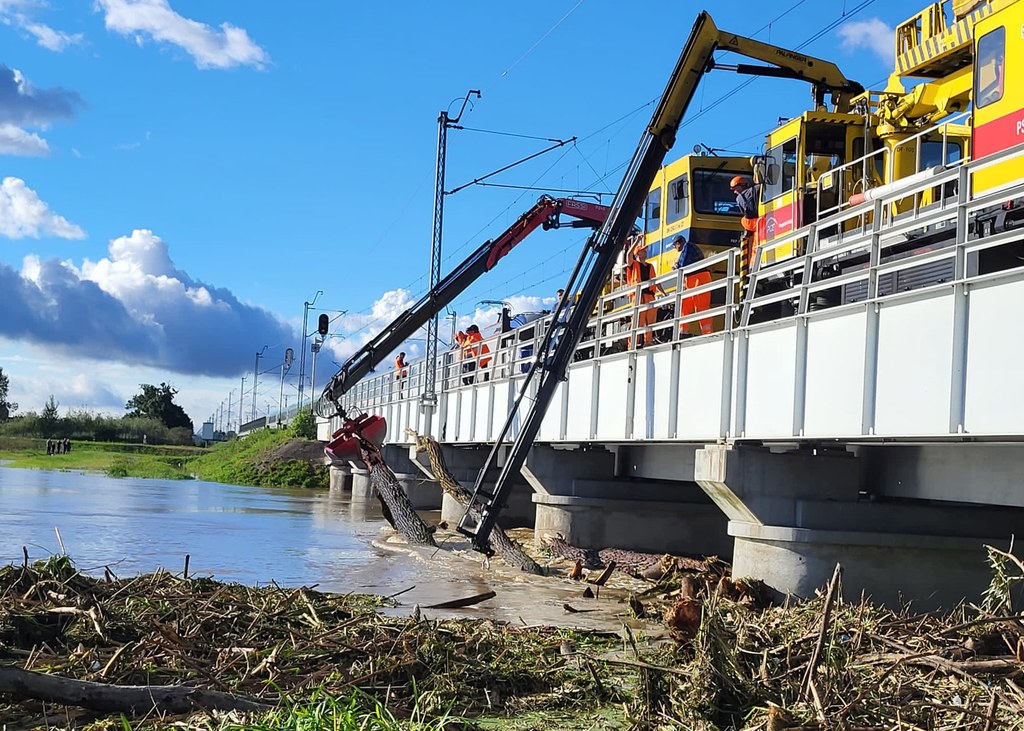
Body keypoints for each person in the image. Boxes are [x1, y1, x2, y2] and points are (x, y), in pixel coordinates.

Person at [625, 242, 666, 347]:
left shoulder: (650, 266)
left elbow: (655, 281)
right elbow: (628, 255)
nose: (645, 252)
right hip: (638, 296)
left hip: (650, 295)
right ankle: (633, 344)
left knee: (651, 320)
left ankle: (648, 342)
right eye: (643, 250)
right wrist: (636, 241)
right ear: (638, 253)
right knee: (637, 321)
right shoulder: (633, 264)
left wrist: (663, 292)